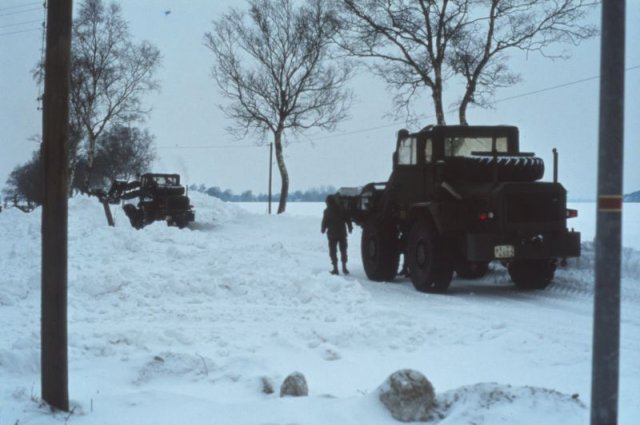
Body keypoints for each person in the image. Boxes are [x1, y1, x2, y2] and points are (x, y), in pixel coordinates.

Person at [321, 194, 353, 275]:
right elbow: (348, 219)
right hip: (342, 234)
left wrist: (323, 229)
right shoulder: (342, 209)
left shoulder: (327, 211)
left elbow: (324, 222)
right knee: (343, 251)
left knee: (333, 252)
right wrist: (350, 227)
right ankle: (344, 268)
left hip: (332, 235)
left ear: (328, 202)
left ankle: (335, 269)